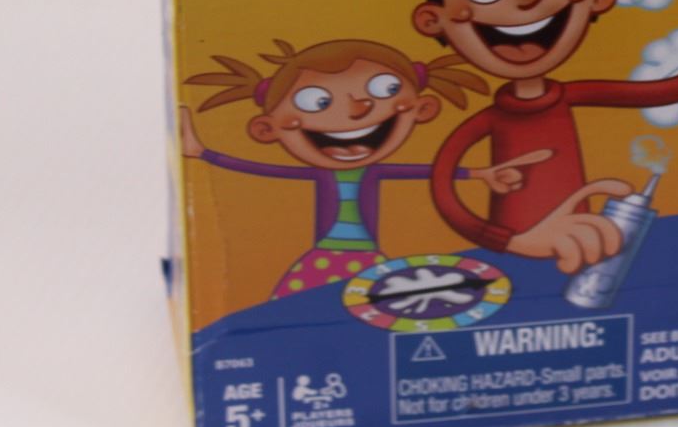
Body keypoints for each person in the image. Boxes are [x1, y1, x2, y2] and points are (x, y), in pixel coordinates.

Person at [414, 0, 678, 273]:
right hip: (508, 263)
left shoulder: (576, 94)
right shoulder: (488, 121)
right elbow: (443, 189)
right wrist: (516, 241)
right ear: (433, 20)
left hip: (589, 247)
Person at [181, 38, 536, 299]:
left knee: (372, 308)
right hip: (323, 257)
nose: (358, 108)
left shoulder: (376, 172)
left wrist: (480, 174)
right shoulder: (321, 172)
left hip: (367, 256)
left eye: (384, 89)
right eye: (316, 101)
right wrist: (203, 154)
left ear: (422, 108)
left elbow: (426, 171)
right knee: (300, 305)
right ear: (266, 130)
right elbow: (263, 169)